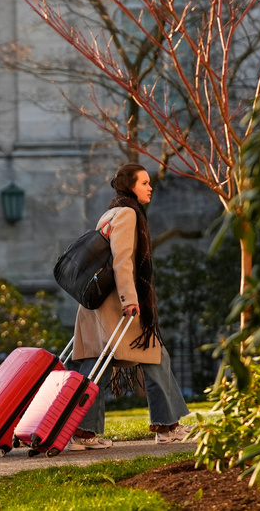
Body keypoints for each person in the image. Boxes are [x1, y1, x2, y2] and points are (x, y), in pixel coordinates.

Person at [67, 163, 192, 450]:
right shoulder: (127, 214)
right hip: (118, 306)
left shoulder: (111, 213)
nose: (150, 187)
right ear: (130, 186)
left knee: (100, 363)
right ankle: (165, 427)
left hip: (101, 305)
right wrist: (131, 300)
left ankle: (84, 432)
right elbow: (121, 261)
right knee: (151, 356)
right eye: (144, 182)